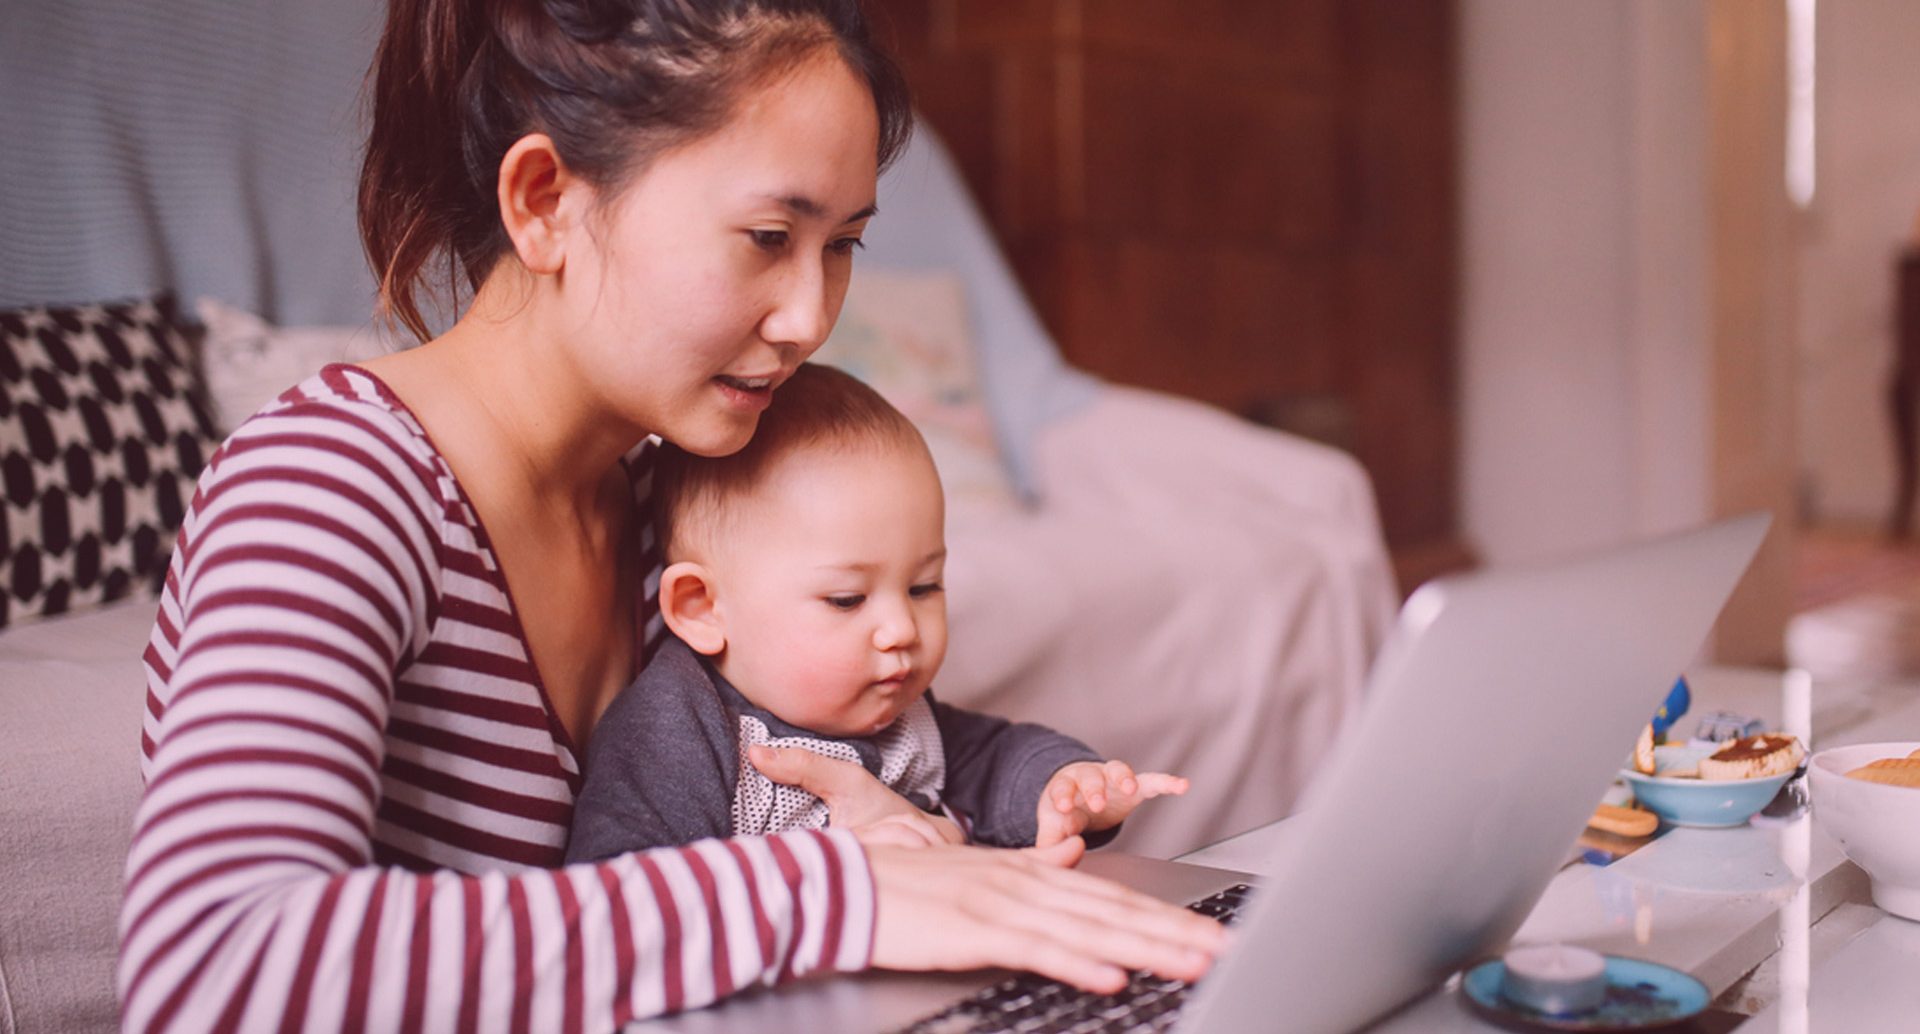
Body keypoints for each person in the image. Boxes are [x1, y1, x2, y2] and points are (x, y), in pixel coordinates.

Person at [116, 1, 1225, 1030]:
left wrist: (904, 838)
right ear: (546, 200)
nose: (808, 318)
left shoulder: (684, 507)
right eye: (765, 237)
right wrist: (824, 890)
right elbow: (213, 963)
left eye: (841, 245)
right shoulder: (330, 490)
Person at [566, 364, 1187, 863]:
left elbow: (994, 758)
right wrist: (826, 868)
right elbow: (626, 896)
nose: (901, 631)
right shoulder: (677, 732)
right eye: (846, 599)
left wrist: (1065, 786)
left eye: (924, 587)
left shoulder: (899, 713)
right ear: (702, 609)